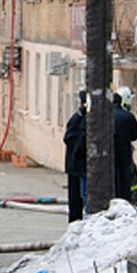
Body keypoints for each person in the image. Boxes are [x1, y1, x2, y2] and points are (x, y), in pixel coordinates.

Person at [62, 90, 88, 222]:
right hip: (75, 165)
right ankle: (75, 223)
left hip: (78, 164)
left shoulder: (83, 117)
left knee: (81, 196)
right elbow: (68, 138)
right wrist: (78, 151)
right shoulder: (78, 118)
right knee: (76, 198)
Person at [112, 89, 137, 203]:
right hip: (125, 152)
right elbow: (135, 135)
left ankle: (113, 199)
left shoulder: (104, 116)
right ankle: (125, 200)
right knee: (125, 178)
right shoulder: (128, 116)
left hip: (110, 153)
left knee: (113, 178)